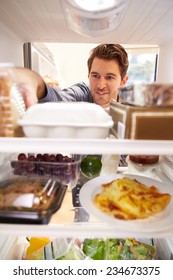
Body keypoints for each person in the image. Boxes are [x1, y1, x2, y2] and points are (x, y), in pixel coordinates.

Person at [13, 44, 129, 109]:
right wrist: (35, 82)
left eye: (109, 77)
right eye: (95, 76)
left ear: (123, 81)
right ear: (88, 75)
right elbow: (58, 99)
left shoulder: (131, 111)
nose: (100, 85)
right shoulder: (82, 94)